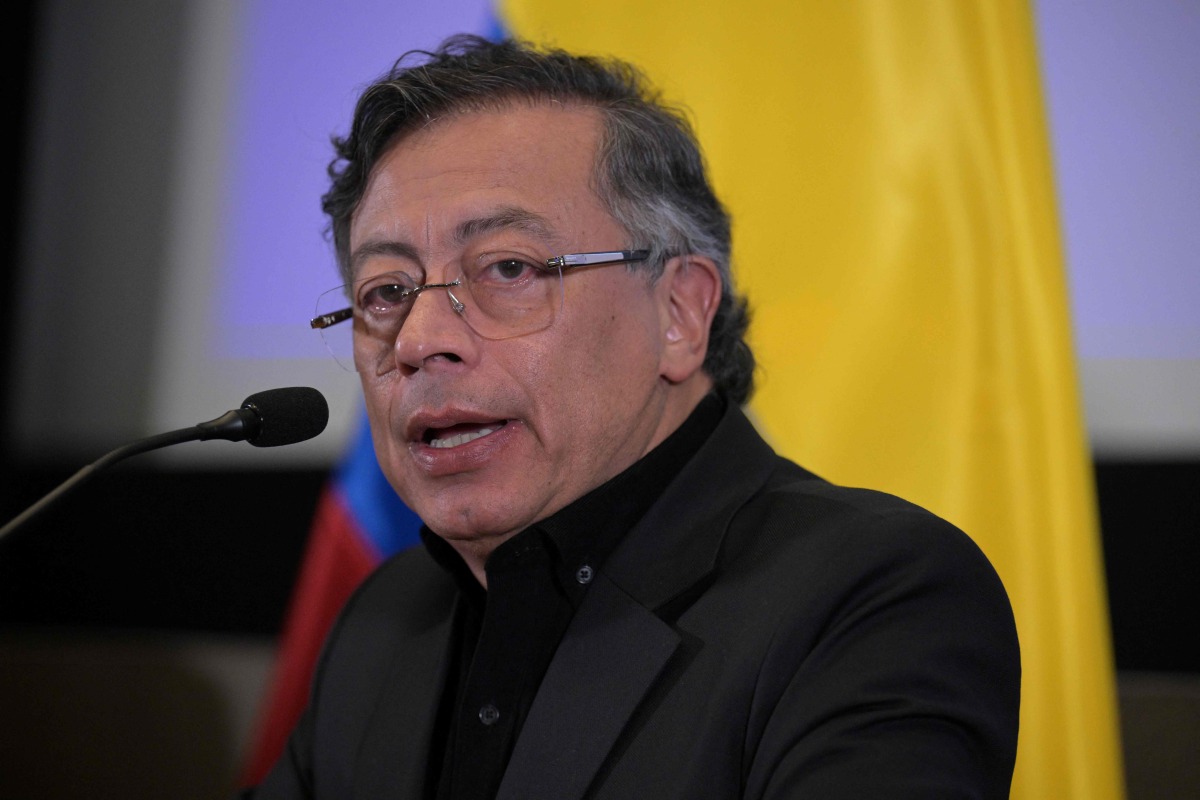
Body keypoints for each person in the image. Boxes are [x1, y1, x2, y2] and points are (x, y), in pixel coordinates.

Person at [251, 35, 1019, 799]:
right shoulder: (384, 620)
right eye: (386, 292)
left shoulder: (871, 598)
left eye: (509, 269)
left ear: (680, 312)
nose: (419, 341)